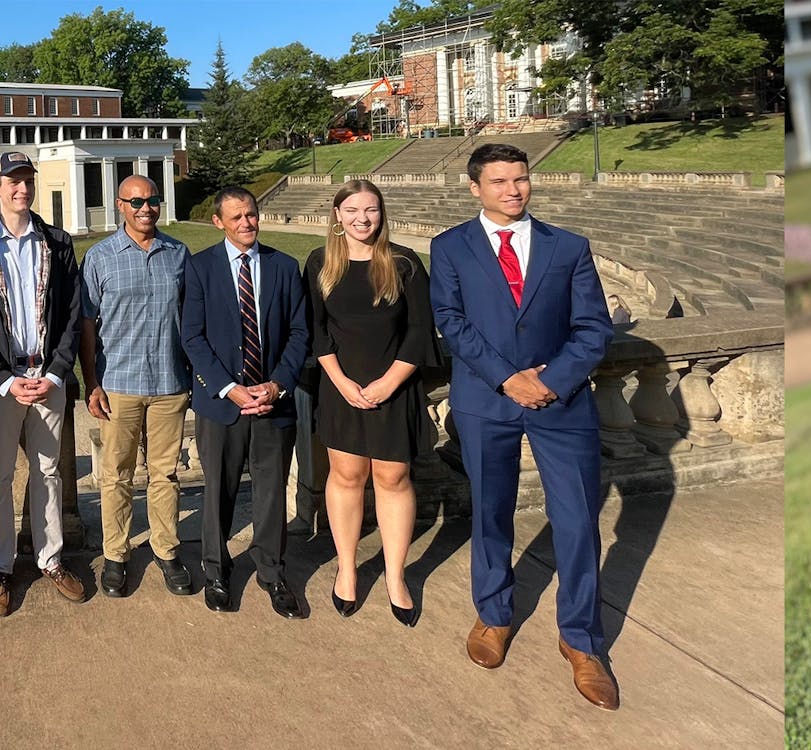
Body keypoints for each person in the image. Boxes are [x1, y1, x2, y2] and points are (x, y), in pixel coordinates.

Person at [429, 143, 619, 710]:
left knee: (578, 521)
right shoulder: (450, 247)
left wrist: (551, 380)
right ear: (475, 189)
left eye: (521, 179)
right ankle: (494, 615)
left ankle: (582, 640)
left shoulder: (569, 247)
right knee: (490, 513)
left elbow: (593, 328)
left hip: (560, 404)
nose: (513, 190)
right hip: (486, 402)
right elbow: (450, 323)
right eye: (500, 181)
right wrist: (508, 379)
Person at [303, 180, 440, 627]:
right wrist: (340, 381)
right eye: (353, 210)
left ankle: (396, 576)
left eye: (372, 210)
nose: (363, 218)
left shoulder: (402, 263)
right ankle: (347, 567)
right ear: (337, 215)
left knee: (392, 476)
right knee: (346, 474)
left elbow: (420, 330)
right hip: (341, 386)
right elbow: (318, 331)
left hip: (393, 385)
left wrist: (390, 382)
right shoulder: (321, 263)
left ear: (382, 214)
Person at [181, 187, 309, 618]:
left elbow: (299, 334)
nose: (246, 224)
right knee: (219, 489)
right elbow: (192, 338)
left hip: (273, 402)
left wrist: (276, 386)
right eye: (235, 218)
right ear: (219, 222)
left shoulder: (284, 266)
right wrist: (228, 389)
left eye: (251, 215)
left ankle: (272, 572)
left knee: (271, 492)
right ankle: (217, 570)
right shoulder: (200, 268)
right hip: (222, 404)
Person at [80, 174, 193, 599]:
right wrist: (91, 382)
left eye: (153, 200)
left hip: (168, 382)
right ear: (120, 206)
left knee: (165, 474)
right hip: (118, 384)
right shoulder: (100, 257)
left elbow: (191, 321)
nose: (146, 208)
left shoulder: (178, 255)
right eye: (137, 201)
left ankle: (166, 549)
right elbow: (87, 326)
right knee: (116, 475)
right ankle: (117, 553)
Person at [0, 151, 84, 615]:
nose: (22, 189)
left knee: (48, 472)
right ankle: (1, 565)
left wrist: (54, 372)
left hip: (49, 378)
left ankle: (50, 558)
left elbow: (73, 315)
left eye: (27, 180)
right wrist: (6, 380)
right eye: (13, 180)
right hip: (2, 383)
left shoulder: (56, 241)